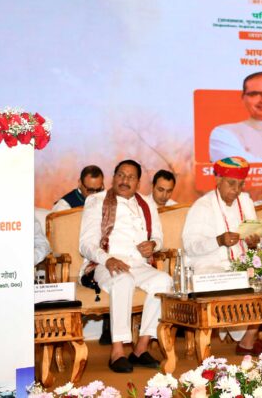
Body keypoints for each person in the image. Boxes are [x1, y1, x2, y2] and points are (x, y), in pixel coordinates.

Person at [79, 160, 171, 373]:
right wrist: (107, 259)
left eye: (130, 177)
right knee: (124, 279)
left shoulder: (147, 203)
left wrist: (153, 245)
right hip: (105, 262)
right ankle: (117, 351)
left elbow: (158, 237)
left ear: (138, 183)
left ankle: (141, 348)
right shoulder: (96, 201)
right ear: (113, 177)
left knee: (164, 281)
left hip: (138, 263)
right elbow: (86, 244)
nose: (124, 180)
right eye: (120, 175)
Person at [181, 156, 262, 354]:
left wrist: (255, 241)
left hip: (240, 265)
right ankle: (248, 340)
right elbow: (190, 246)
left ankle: (248, 339)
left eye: (241, 184)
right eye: (231, 184)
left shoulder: (245, 201)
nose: (236, 190)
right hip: (210, 267)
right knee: (237, 282)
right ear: (218, 180)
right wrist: (218, 240)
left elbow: (256, 232)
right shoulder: (202, 206)